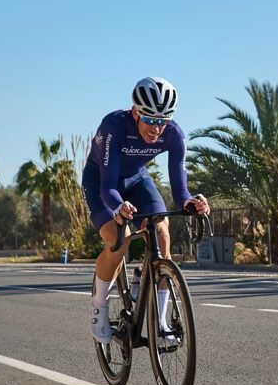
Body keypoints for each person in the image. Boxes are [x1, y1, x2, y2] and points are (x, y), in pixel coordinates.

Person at [82, 77, 209, 343]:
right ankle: (99, 304)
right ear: (135, 111)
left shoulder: (175, 135)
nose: (156, 128)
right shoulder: (113, 127)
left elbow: (180, 191)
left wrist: (190, 202)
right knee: (119, 241)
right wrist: (119, 207)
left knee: (162, 232)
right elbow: (107, 187)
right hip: (102, 183)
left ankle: (160, 322)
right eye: (150, 119)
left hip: (137, 180)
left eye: (162, 121)